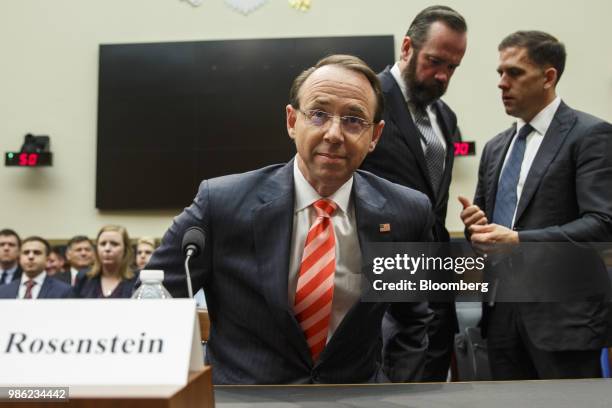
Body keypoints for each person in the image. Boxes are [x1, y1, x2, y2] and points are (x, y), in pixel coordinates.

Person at [146, 54, 435, 385]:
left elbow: (412, 321)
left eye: (354, 120)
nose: (334, 133)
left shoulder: (406, 212)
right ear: (291, 121)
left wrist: (397, 395)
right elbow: (153, 304)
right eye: (318, 114)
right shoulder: (221, 204)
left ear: (375, 137)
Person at [459, 31, 612, 379]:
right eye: (500, 73)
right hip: (501, 317)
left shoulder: (590, 135)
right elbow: (486, 231)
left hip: (562, 321)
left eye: (514, 73)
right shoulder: (496, 147)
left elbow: (603, 224)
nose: (502, 83)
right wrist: (476, 227)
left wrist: (517, 240)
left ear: (548, 77)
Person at [360, 5, 467, 381]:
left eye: (453, 67)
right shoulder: (365, 100)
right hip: (383, 288)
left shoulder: (446, 117)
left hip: (437, 284)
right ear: (407, 48)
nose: (442, 75)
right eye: (435, 61)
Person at [0, 236, 73, 299]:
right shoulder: (3, 290)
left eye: (37, 253)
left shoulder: (64, 290)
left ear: (47, 259)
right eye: (26, 252)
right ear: (19, 258)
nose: (30, 256)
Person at [75, 225, 137, 298]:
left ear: (125, 249)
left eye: (114, 244)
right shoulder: (83, 278)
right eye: (103, 244)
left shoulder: (136, 281)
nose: (107, 249)